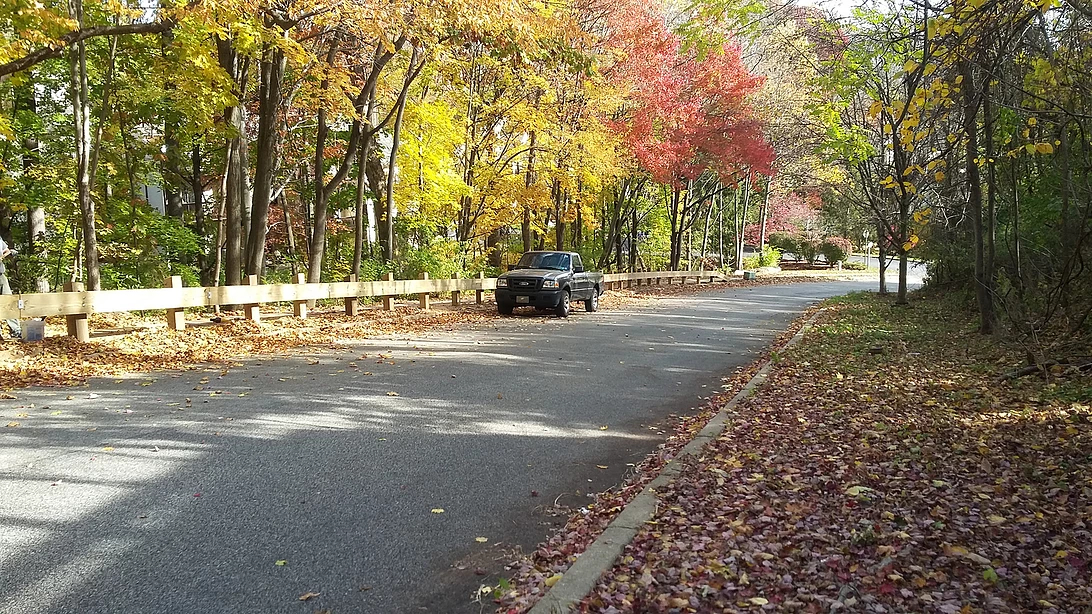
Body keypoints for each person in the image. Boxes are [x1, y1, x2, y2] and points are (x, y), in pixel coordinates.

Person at [0, 237, 20, 339]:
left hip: (1, 274)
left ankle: (16, 331)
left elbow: (6, 250)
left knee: (9, 301)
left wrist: (5, 255)